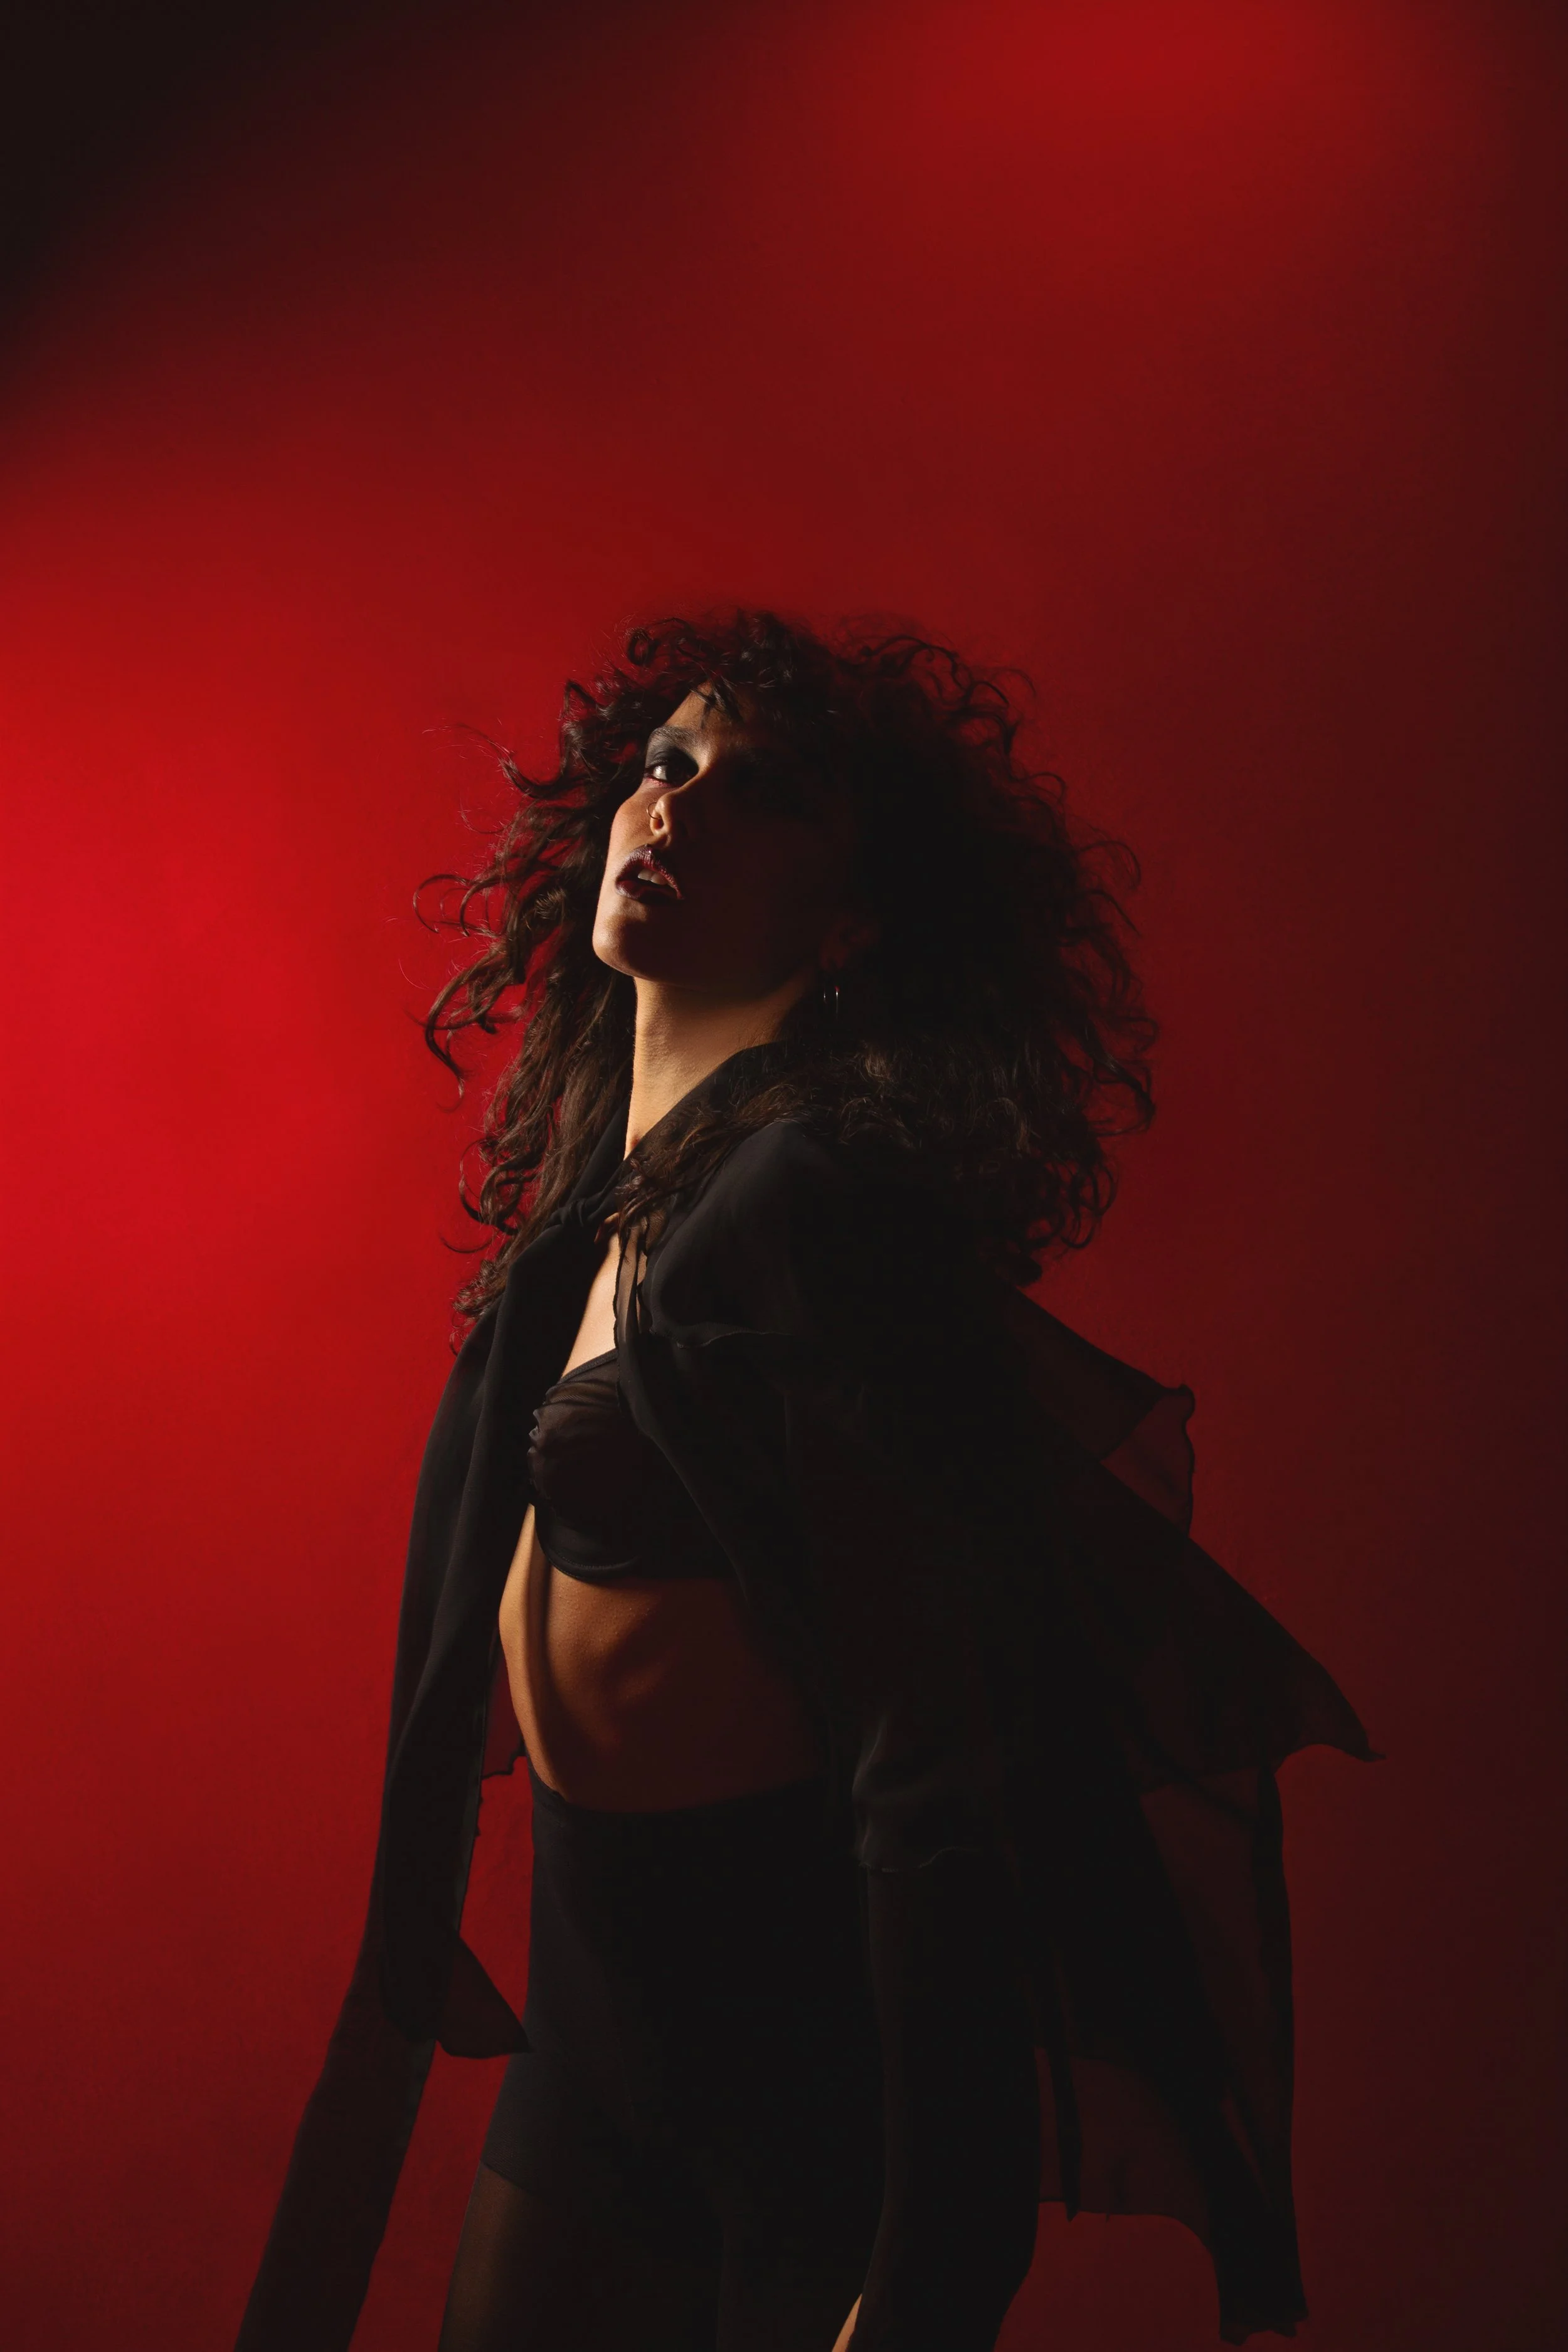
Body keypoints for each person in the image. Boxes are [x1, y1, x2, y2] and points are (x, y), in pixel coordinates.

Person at [235, 610, 1374, 2352]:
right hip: (594, 2035)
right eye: (665, 764)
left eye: (757, 793)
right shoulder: (586, 1221)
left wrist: (933, 2260)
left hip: (801, 2065)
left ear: (847, 923)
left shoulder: (801, 1214)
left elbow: (934, 1759)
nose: (675, 809)